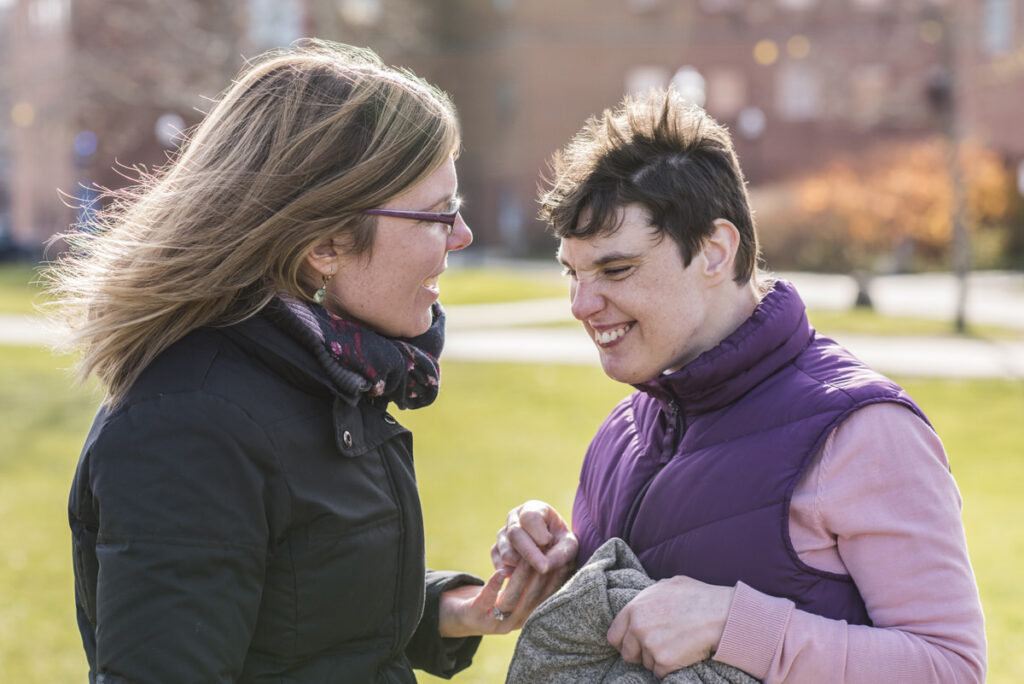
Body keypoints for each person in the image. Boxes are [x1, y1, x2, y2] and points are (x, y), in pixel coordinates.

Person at [49, 41, 567, 683]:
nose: (462, 237)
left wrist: (464, 608)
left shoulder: (322, 374)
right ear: (325, 245)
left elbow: (302, 615)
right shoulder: (193, 425)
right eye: (439, 215)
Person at [492, 89, 986, 683]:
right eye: (572, 272)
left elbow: (952, 669)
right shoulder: (623, 429)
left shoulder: (864, 431)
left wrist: (736, 625)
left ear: (715, 251)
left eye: (615, 269)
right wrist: (563, 566)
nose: (581, 304)